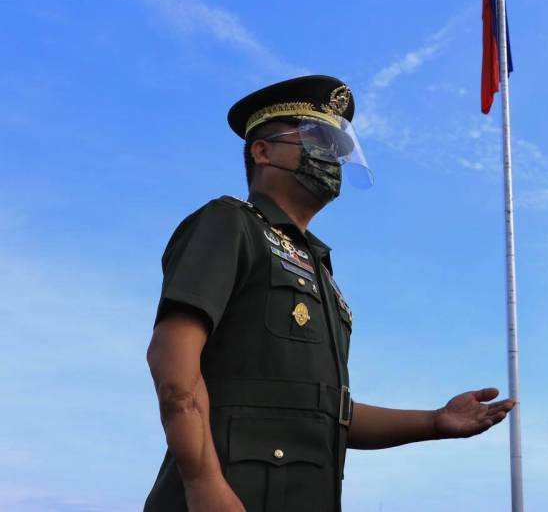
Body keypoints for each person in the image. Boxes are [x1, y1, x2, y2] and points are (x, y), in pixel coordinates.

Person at [144, 75, 514, 512]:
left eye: (337, 147)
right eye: (315, 139)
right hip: (229, 496)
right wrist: (203, 482)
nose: (330, 156)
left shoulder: (322, 272)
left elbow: (328, 414)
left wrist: (434, 421)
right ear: (261, 151)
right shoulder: (230, 224)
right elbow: (172, 359)